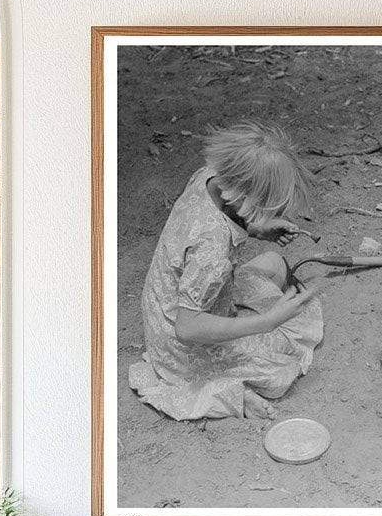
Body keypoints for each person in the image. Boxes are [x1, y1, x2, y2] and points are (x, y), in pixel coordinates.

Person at [128, 121, 323, 421]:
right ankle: (231, 394)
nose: (275, 215)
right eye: (269, 208)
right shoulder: (212, 252)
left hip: (164, 305)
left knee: (273, 262)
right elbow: (188, 328)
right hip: (178, 344)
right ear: (248, 198)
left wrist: (256, 228)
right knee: (282, 364)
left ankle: (232, 374)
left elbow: (218, 221)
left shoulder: (210, 177)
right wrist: (267, 322)